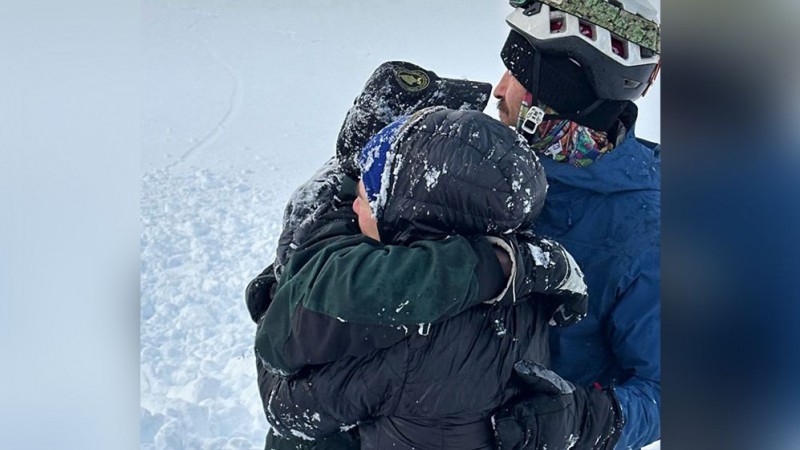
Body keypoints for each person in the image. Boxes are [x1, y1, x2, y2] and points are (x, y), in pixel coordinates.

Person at [246, 62, 586, 449]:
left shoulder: (414, 339)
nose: (357, 209)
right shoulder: (524, 275)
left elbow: (288, 408)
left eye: (364, 199)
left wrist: (275, 296)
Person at [490, 1, 661, 449]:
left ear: (555, 96)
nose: (497, 89)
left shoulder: (647, 230)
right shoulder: (483, 162)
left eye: (516, 75)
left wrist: (587, 422)